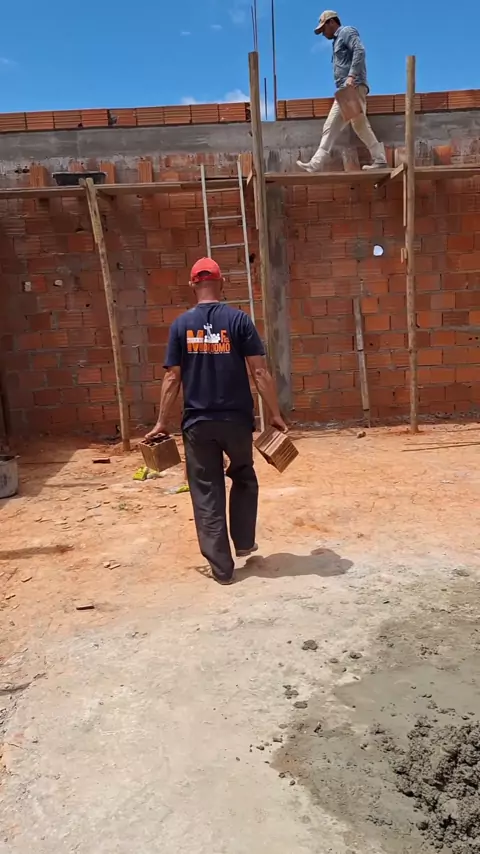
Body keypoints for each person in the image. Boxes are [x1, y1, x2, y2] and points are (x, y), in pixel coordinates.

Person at [146, 257, 287, 586]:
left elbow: (172, 378)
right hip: (236, 420)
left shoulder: (180, 326)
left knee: (206, 490)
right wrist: (275, 414)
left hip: (198, 424)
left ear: (192, 285)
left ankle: (222, 569)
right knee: (243, 475)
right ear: (221, 283)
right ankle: (244, 541)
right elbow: (260, 372)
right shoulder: (239, 320)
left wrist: (161, 422)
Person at [297, 10, 387, 173]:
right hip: (350, 89)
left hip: (351, 88)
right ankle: (380, 159)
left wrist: (351, 76)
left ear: (332, 22)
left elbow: (359, 50)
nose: (323, 33)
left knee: (330, 125)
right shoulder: (336, 41)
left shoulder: (346, 32)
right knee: (360, 126)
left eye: (323, 29)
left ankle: (315, 164)